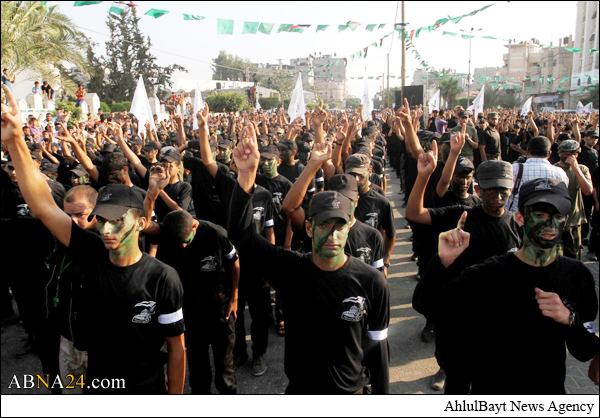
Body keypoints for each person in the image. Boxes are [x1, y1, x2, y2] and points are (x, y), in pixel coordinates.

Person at [1, 85, 187, 394]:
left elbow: (177, 347)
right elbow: (43, 205)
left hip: (145, 390)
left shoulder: (163, 278)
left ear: (141, 223)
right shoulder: (90, 252)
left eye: (117, 221)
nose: (106, 229)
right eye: (101, 219)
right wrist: (16, 141)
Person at [227, 121, 390, 394]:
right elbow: (242, 237)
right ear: (310, 227)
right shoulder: (291, 269)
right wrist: (246, 177)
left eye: (339, 225)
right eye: (324, 224)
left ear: (349, 225)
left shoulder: (372, 282)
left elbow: (379, 351)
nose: (332, 233)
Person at [421, 178, 598, 394]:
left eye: (558, 216)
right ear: (520, 218)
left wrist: (569, 319)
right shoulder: (488, 274)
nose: (550, 224)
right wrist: (441, 263)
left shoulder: (577, 276)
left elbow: (584, 350)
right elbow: (427, 304)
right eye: (540, 215)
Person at [144, 168, 240, 394]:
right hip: (189, 312)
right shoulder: (168, 230)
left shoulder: (216, 234)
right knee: (198, 372)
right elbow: (144, 224)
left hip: (219, 309)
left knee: (225, 370)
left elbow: (234, 263)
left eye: (187, 240)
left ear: (195, 226)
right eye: (179, 243)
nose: (184, 246)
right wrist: (151, 193)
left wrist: (235, 298)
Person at [506, 136, 570, 213]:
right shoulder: (559, 173)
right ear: (549, 153)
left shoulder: (513, 169)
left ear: (527, 152)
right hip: (548, 220)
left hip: (518, 218)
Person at [555, 140, 594, 260]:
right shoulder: (553, 169)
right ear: (559, 153)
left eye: (573, 154)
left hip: (574, 222)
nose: (569, 157)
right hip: (556, 222)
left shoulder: (582, 169)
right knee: (557, 259)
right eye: (565, 153)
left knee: (574, 259)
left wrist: (576, 169)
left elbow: (588, 191)